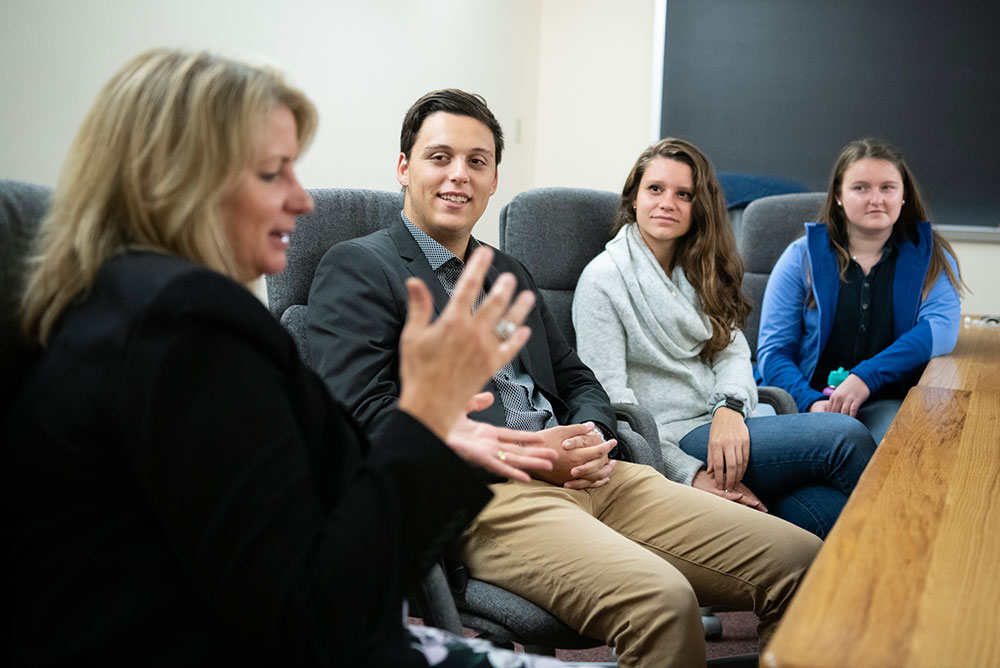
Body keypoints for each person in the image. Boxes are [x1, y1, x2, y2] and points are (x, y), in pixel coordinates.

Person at [0, 49, 571, 667]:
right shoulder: (189, 329)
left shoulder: (110, 303)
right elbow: (318, 617)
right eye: (274, 174)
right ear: (179, 181)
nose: (303, 201)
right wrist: (429, 421)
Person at [306, 88, 823, 667]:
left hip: (599, 476)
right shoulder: (360, 266)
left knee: (808, 562)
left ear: (495, 177)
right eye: (439, 157)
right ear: (404, 167)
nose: (459, 175)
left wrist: (588, 435)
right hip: (491, 496)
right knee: (664, 604)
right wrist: (529, 454)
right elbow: (364, 421)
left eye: (477, 161)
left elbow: (578, 378)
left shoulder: (505, 270)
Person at [571, 137, 877, 539]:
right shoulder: (603, 280)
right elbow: (610, 403)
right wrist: (686, 473)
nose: (668, 202)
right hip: (673, 439)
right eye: (655, 189)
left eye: (684, 195)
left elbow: (732, 354)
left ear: (698, 209)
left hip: (728, 424)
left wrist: (728, 409)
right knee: (846, 437)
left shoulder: (700, 271)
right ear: (633, 199)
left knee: (826, 516)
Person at [757, 137, 964, 443]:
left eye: (887, 187)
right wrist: (810, 402)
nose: (876, 199)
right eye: (860, 188)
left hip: (885, 402)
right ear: (838, 196)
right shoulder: (801, 256)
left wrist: (865, 377)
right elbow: (774, 353)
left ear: (903, 194)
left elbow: (940, 330)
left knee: (890, 453)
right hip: (803, 397)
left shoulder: (931, 256)